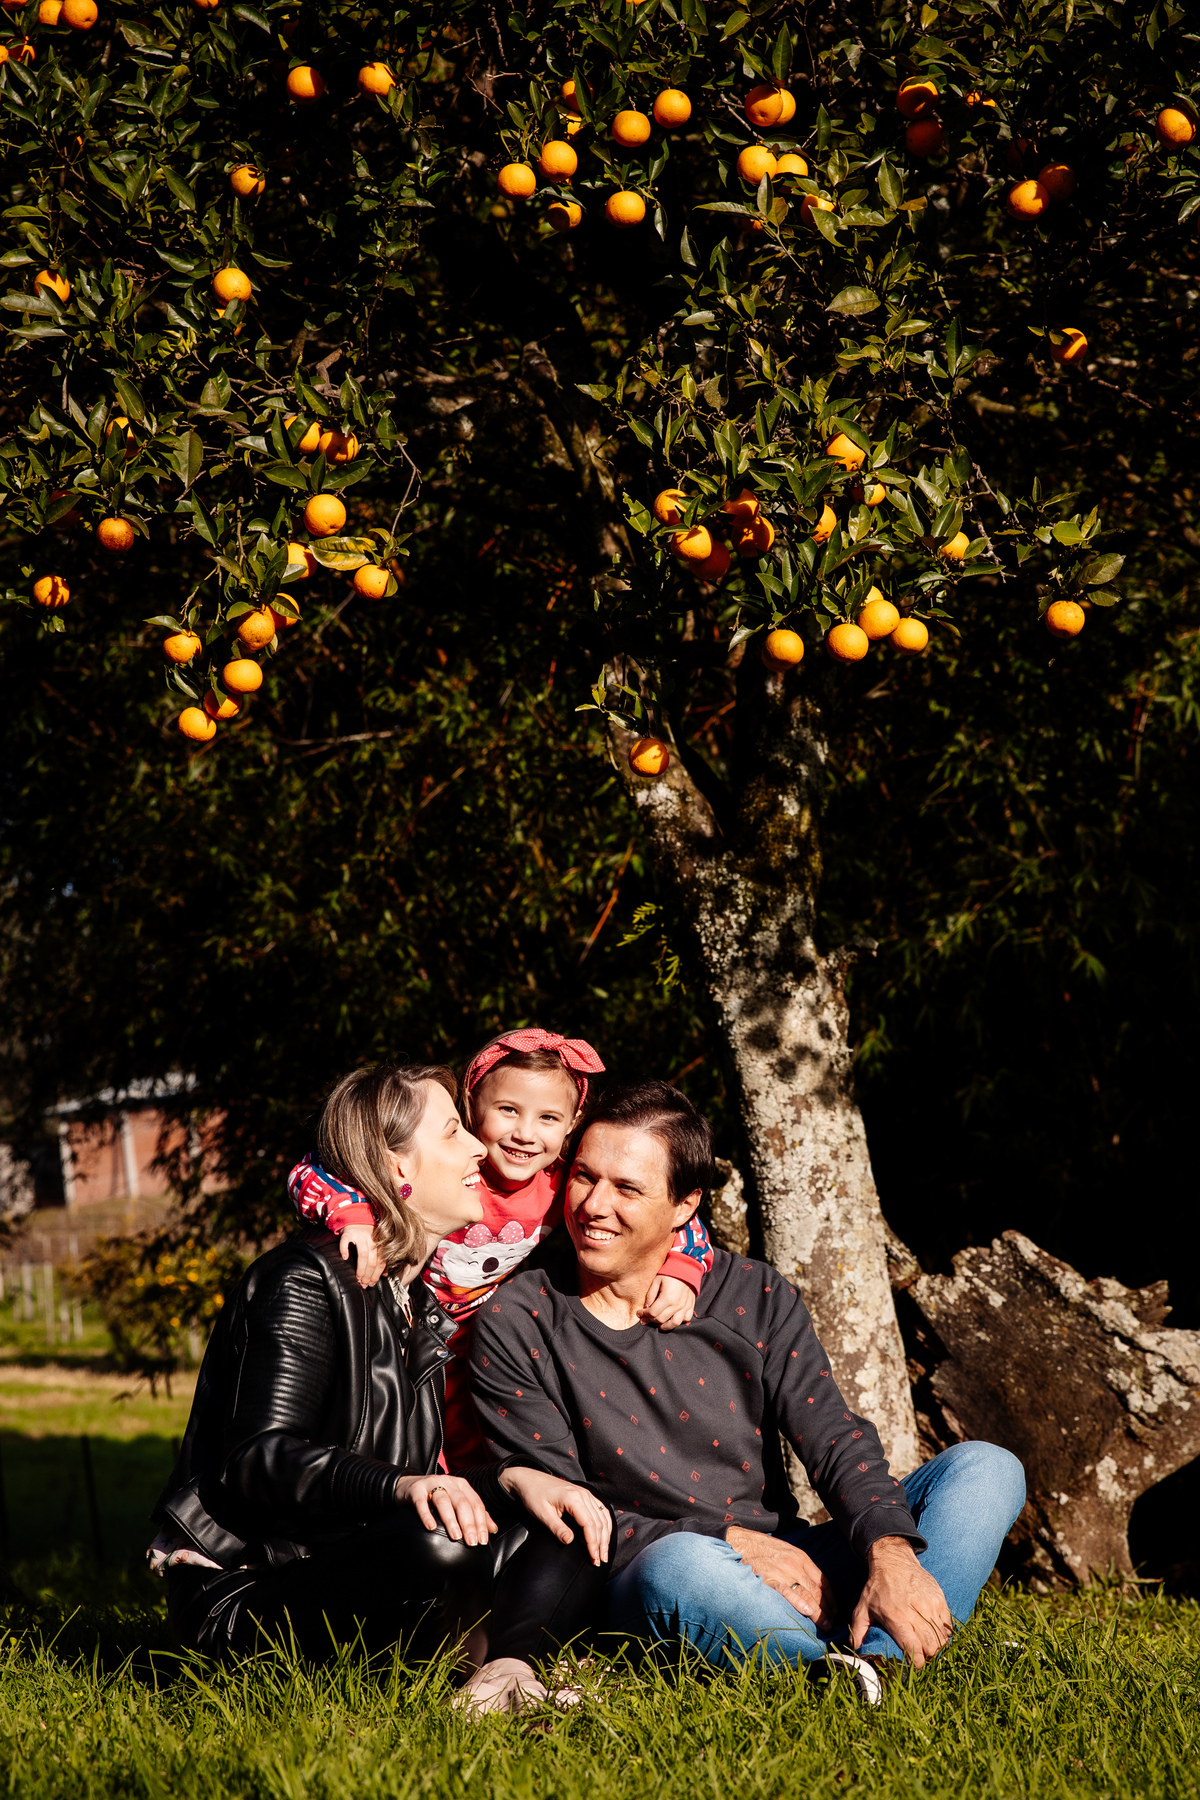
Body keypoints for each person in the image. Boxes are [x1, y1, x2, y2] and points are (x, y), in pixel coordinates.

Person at [471, 1080, 1027, 1703]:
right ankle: (831, 1670)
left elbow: (833, 1437)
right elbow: (563, 1514)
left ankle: (880, 1663)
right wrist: (730, 1542)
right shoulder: (517, 1320)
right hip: (647, 1572)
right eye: (583, 1177)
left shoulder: (754, 1294)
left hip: (791, 1552)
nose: (594, 1205)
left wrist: (888, 1553)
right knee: (681, 1566)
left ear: (685, 1205)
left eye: (627, 1188)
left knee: (987, 1469)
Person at [149, 1062, 612, 1714]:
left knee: (568, 1509)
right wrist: (402, 1487)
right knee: (440, 1540)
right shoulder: (306, 1278)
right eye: (453, 1133)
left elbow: (424, 1482)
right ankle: (481, 1663)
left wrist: (510, 1480)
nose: (479, 1149)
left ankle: (507, 1671)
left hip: (355, 1563)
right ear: (397, 1168)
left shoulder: (418, 1304)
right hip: (253, 1595)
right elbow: (257, 1459)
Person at [289, 1027, 713, 1467]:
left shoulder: (563, 1182)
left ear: (572, 1123)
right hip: (394, 1317)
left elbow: (667, 1209)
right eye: (508, 1110)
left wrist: (683, 1267)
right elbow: (314, 1170)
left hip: (469, 1331)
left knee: (466, 1436)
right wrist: (353, 1215)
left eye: (548, 1119)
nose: (525, 1134)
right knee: (384, 1429)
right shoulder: (449, 1170)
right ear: (472, 1104)